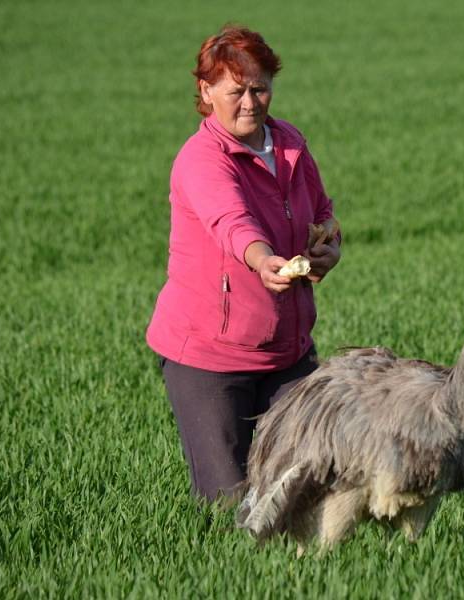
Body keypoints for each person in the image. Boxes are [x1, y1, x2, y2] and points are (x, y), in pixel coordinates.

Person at [146, 25, 341, 502]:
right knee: (230, 501)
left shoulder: (290, 142)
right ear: (206, 91)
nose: (251, 102)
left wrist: (329, 244)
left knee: (308, 486)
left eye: (260, 88)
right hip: (210, 359)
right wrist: (263, 261)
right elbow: (231, 222)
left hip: (287, 352)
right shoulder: (202, 159)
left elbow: (320, 210)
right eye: (237, 91)